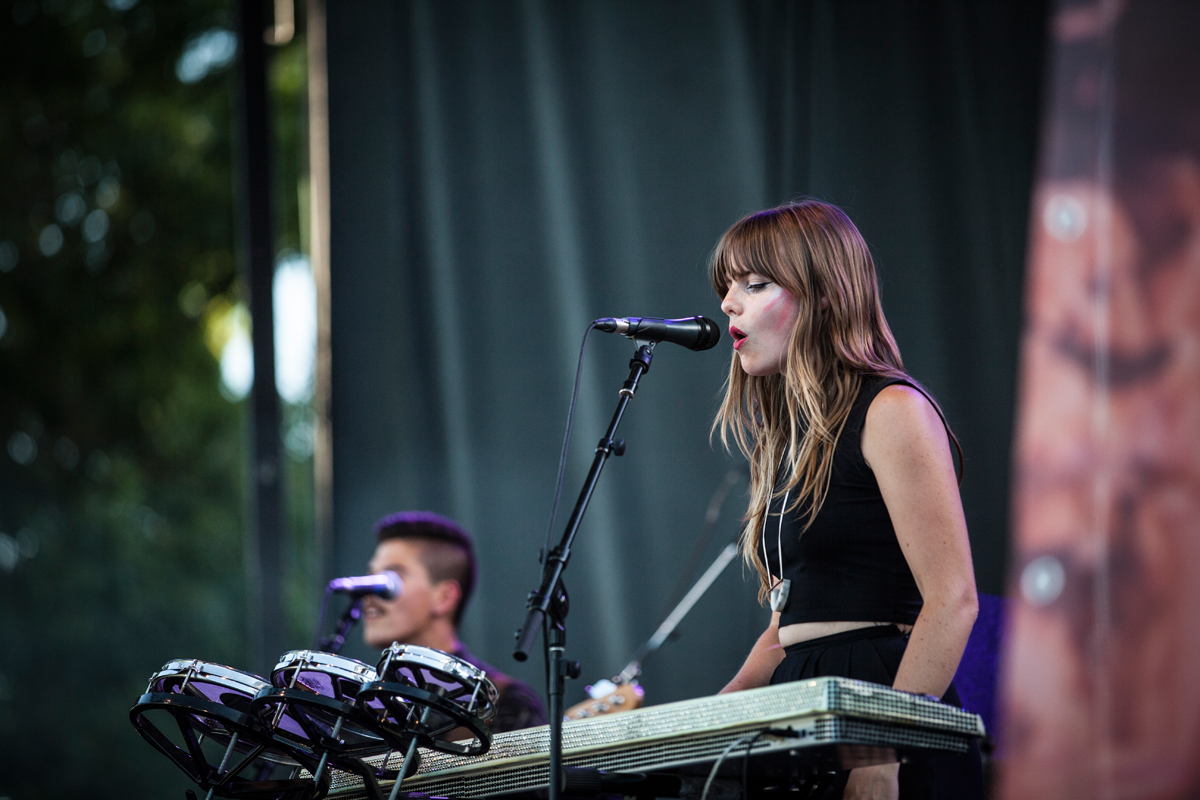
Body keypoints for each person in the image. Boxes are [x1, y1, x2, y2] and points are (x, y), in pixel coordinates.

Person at [711, 200, 983, 799]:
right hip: (802, 701)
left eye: (755, 284)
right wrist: (704, 723)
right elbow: (785, 628)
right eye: (727, 287)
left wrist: (882, 753)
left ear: (826, 295)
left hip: (882, 694)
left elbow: (953, 599)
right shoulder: (791, 442)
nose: (728, 303)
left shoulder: (892, 409)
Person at [361, 510, 547, 734]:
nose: (368, 592)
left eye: (390, 579)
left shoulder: (505, 702)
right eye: (370, 576)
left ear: (445, 597)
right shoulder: (363, 701)